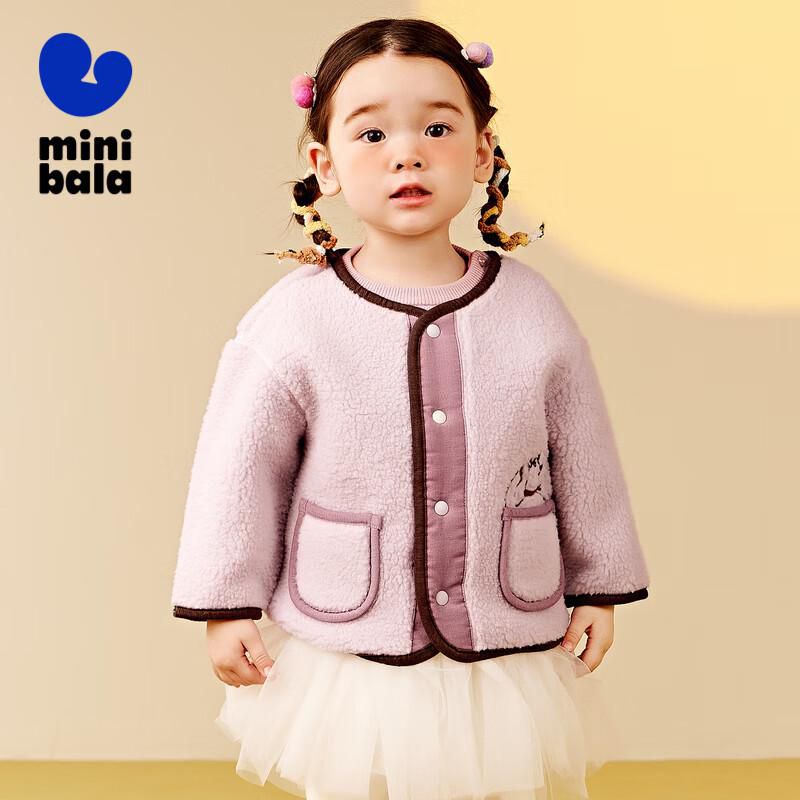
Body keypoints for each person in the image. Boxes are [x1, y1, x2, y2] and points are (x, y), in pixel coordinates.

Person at [170, 16, 651, 800]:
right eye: (372, 134)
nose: (407, 153)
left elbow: (585, 456)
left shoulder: (531, 308)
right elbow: (239, 468)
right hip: (354, 636)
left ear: (483, 152)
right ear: (324, 164)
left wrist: (599, 584)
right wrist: (226, 604)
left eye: (437, 127)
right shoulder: (295, 318)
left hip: (502, 633)